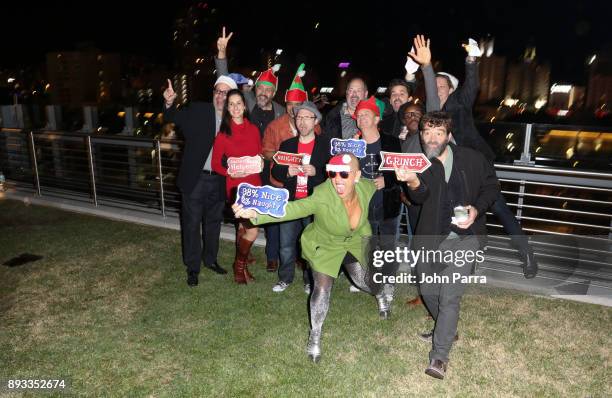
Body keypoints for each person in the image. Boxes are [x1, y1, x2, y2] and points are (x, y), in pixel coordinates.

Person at [233, 153, 385, 363]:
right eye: (332, 173)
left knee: (363, 280)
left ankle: (380, 293)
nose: (337, 180)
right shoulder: (323, 194)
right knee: (322, 288)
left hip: (353, 240)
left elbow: (377, 183)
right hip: (326, 244)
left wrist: (387, 179)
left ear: (357, 176)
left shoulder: (365, 188)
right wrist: (255, 214)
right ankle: (315, 334)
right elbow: (292, 209)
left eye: (344, 174)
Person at [395, 111, 499, 379]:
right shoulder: (420, 164)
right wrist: (412, 181)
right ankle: (447, 329)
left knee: (450, 295)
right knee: (429, 291)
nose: (432, 138)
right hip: (431, 239)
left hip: (465, 239)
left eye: (438, 133)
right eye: (427, 133)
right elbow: (420, 196)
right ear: (421, 135)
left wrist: (476, 209)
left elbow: (492, 187)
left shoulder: (471, 159)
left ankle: (439, 357)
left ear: (448, 136)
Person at [425, 39, 538, 278]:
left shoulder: (458, 103)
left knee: (496, 206)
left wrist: (472, 59)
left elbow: (472, 88)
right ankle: (471, 255)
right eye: (432, 85)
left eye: (441, 85)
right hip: (453, 169)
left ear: (450, 89)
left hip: (477, 164)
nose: (436, 88)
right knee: (461, 210)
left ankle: (526, 253)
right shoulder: (432, 115)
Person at [215, 26, 284, 273]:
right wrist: (222, 55)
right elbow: (226, 86)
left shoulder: (280, 111)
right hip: (246, 171)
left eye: (269, 89)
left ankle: (272, 255)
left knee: (273, 212)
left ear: (274, 92)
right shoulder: (246, 104)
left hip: (269, 168)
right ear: (255, 90)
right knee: (243, 218)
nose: (264, 92)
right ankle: (242, 257)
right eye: (261, 88)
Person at [163, 74, 236, 286]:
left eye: (225, 93)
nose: (220, 96)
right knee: (192, 223)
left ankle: (210, 260)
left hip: (220, 180)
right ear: (213, 93)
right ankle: (192, 267)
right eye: (217, 91)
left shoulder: (235, 119)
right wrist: (169, 102)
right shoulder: (198, 110)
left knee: (214, 222)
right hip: (196, 179)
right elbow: (171, 116)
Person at [270, 102, 330, 293]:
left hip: (313, 203)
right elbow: (277, 172)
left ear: (315, 121)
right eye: (299, 117)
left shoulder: (325, 144)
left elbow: (333, 173)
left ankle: (309, 280)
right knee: (286, 244)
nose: (302, 122)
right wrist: (287, 172)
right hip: (291, 202)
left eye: (307, 117)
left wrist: (317, 172)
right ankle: (285, 278)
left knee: (311, 245)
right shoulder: (287, 144)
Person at [211, 89, 262, 284]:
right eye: (230, 104)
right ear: (227, 108)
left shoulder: (254, 129)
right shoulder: (223, 134)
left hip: (254, 184)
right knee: (253, 229)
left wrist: (261, 162)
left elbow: (258, 154)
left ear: (244, 105)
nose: (235, 107)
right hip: (236, 187)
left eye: (238, 103)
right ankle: (239, 266)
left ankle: (243, 263)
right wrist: (229, 173)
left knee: (243, 227)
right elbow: (216, 164)